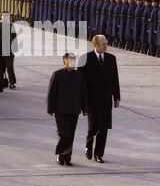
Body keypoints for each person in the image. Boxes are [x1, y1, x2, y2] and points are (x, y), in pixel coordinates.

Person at [78, 35, 121, 164]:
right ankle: (88, 146)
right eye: (103, 44)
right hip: (91, 100)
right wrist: (82, 101)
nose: (106, 46)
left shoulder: (111, 58)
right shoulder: (85, 59)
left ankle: (99, 154)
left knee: (104, 127)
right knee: (94, 126)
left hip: (106, 99)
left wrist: (116, 97)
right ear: (95, 45)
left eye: (106, 43)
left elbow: (115, 79)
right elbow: (80, 82)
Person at [47, 53, 88, 166]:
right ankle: (60, 153)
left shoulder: (79, 75)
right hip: (61, 110)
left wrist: (85, 108)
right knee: (64, 134)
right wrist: (50, 108)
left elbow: (83, 93)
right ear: (64, 62)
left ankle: (67, 157)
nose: (73, 64)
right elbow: (51, 93)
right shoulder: (57, 75)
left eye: (74, 61)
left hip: (74, 109)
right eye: (70, 61)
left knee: (71, 134)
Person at [0, 12, 19, 89]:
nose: (5, 17)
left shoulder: (11, 26)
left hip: (10, 51)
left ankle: (12, 83)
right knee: (0, 68)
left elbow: (14, 37)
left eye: (7, 16)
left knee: (10, 67)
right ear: (1, 17)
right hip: (0, 51)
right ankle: (0, 82)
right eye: (4, 16)